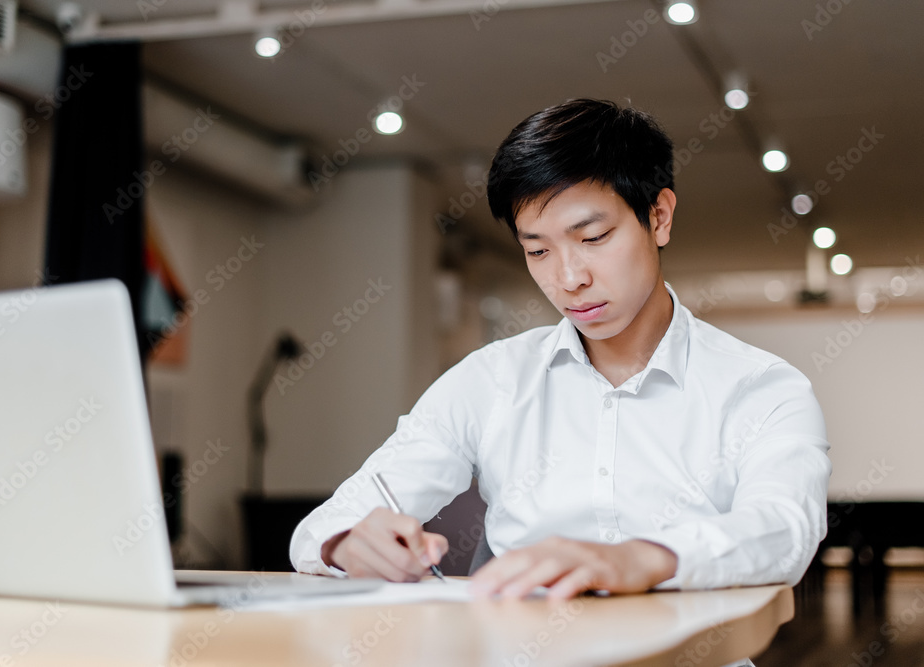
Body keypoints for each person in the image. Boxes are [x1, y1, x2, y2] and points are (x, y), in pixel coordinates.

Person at [290, 99, 831, 606]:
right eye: (538, 251)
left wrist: (639, 560)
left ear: (659, 217)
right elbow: (322, 529)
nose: (568, 278)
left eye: (593, 237)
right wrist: (347, 545)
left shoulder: (760, 387)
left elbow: (786, 528)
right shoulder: (490, 380)